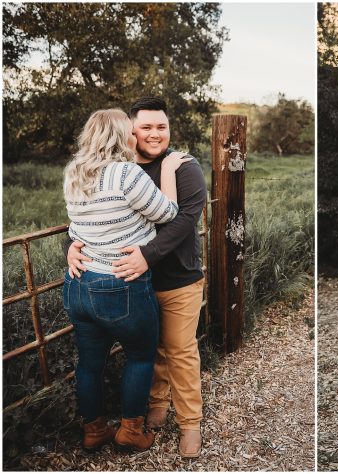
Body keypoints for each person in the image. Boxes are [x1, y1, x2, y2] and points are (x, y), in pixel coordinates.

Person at [68, 97, 208, 458]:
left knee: (179, 350)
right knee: (151, 351)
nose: (155, 134)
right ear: (129, 132)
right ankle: (156, 406)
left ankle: (190, 425)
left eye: (162, 126)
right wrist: (72, 244)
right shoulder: (123, 169)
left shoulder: (184, 167)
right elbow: (88, 218)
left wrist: (146, 255)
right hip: (131, 286)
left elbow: (183, 219)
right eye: (146, 127)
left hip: (175, 278)